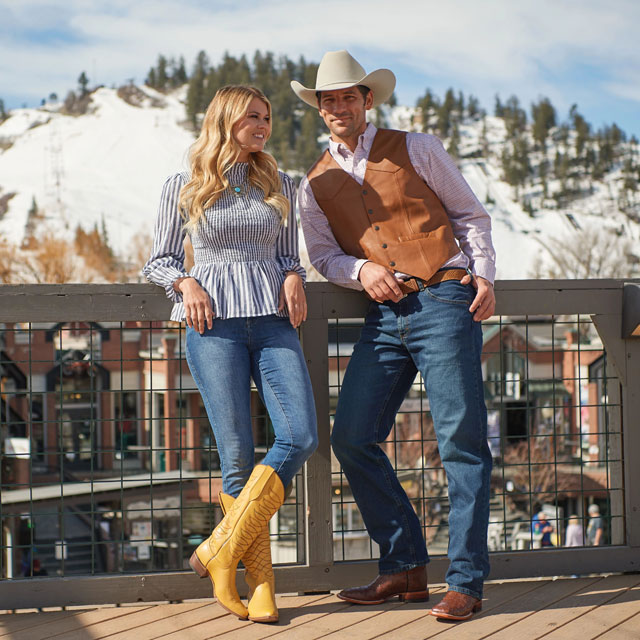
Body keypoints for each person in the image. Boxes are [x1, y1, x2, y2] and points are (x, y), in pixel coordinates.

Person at [292, 50, 495, 622]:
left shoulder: (418, 147)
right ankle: (405, 565)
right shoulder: (313, 182)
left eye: (347, 97)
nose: (338, 107)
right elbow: (324, 256)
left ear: (367, 101)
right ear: (320, 108)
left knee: (461, 443)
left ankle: (465, 581)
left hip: (444, 298)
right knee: (352, 436)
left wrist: (483, 274)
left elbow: (470, 216)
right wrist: (361, 272)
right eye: (328, 100)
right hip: (383, 315)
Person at [143, 85, 318, 623]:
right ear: (225, 120)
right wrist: (185, 283)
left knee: (300, 435)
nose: (262, 125)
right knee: (237, 455)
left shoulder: (281, 183)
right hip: (212, 325)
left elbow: (290, 252)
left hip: (271, 321)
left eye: (266, 117)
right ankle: (260, 585)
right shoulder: (184, 184)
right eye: (252, 117)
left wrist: (293, 273)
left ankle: (220, 548)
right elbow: (159, 260)